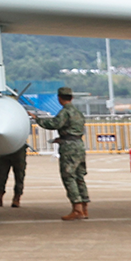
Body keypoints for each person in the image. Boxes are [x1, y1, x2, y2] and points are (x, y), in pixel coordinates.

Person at [33, 86, 91, 219]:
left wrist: (37, 119)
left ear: (59, 98)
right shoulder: (78, 113)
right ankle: (84, 208)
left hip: (69, 148)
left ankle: (77, 209)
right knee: (79, 177)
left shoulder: (65, 112)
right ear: (71, 97)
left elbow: (54, 124)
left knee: (69, 176)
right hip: (79, 145)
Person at [0, 142, 28, 208]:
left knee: (19, 174)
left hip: (16, 148)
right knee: (1, 174)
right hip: (5, 148)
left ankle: (16, 198)